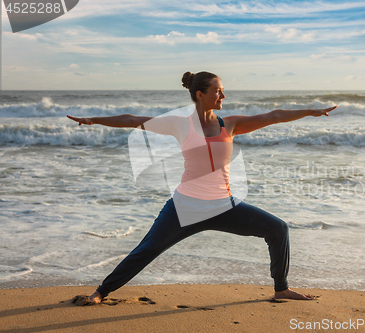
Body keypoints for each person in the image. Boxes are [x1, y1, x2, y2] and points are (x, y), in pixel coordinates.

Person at [67, 71, 336, 303]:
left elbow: (274, 115)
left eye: (223, 91)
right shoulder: (180, 125)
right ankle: (102, 291)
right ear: (200, 95)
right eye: (218, 91)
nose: (223, 96)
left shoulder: (230, 124)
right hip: (185, 207)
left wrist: (309, 111)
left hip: (224, 206)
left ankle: (281, 289)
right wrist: (95, 120)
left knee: (278, 229)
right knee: (147, 249)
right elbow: (132, 119)